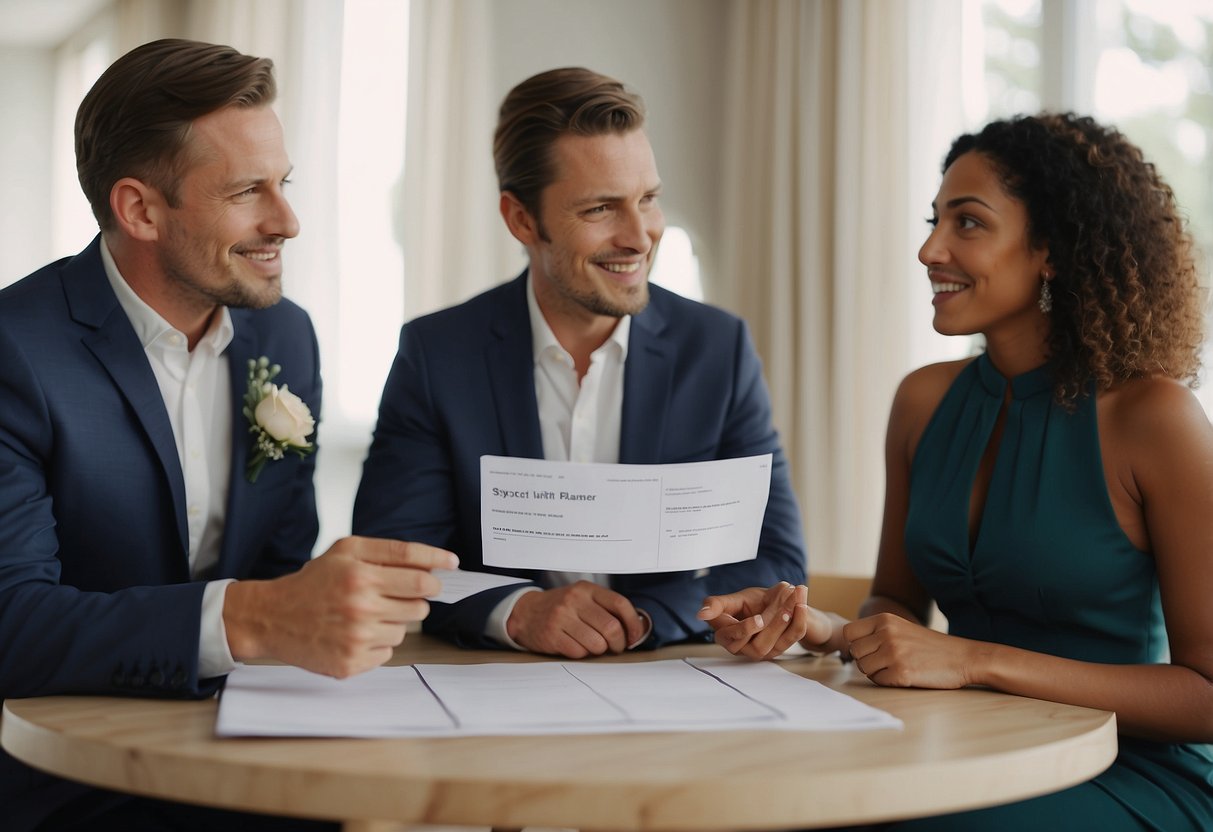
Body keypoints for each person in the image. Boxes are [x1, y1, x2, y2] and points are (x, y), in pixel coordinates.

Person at [700, 113, 1213, 829]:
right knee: (745, 795)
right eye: (934, 220)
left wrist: (973, 660)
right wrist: (822, 628)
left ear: (1052, 250)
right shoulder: (923, 401)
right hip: (959, 744)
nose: (929, 249)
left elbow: (1205, 696)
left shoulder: (1154, 418)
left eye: (967, 224)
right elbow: (895, 606)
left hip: (1123, 767)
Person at [0, 39, 456, 831]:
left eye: (283, 184)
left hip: (260, 757)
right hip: (73, 781)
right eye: (248, 191)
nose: (287, 220)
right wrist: (251, 618)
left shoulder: (285, 338)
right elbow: (13, 625)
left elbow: (279, 565)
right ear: (140, 209)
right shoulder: (15, 350)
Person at [353, 67, 806, 658]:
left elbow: (777, 558)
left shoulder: (717, 349)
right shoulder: (437, 354)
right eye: (600, 209)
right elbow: (394, 554)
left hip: (675, 677)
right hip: (492, 687)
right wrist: (516, 610)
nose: (640, 236)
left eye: (648, 199)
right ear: (521, 220)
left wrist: (643, 618)